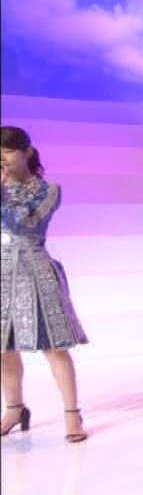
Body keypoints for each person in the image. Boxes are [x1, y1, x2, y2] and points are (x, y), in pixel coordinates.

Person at [0, 126, 88, 443]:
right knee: (3, 348)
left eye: (8, 151)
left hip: (34, 270)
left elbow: (26, 224)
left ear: (27, 152)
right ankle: (14, 409)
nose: (2, 158)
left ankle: (72, 414)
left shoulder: (48, 190)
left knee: (54, 346)